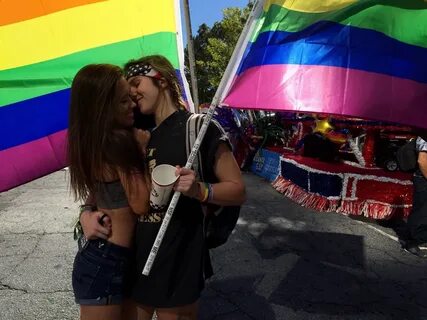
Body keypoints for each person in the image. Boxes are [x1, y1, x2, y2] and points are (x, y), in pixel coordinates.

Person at [125, 55, 246, 320]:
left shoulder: (200, 128)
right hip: (137, 255)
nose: (132, 92)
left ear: (163, 80)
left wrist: (200, 190)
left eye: (136, 82)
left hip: (180, 257)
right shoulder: (141, 135)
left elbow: (238, 190)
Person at [68, 64, 151, 320]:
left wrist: (85, 213)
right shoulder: (118, 142)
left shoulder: (94, 140)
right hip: (108, 260)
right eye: (123, 101)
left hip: (109, 257)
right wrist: (139, 149)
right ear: (104, 107)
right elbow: (140, 204)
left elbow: (96, 195)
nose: (133, 105)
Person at [404, 136, 427, 258]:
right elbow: (422, 161)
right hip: (423, 178)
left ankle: (422, 237)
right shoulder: (424, 136)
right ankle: (411, 242)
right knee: (421, 211)